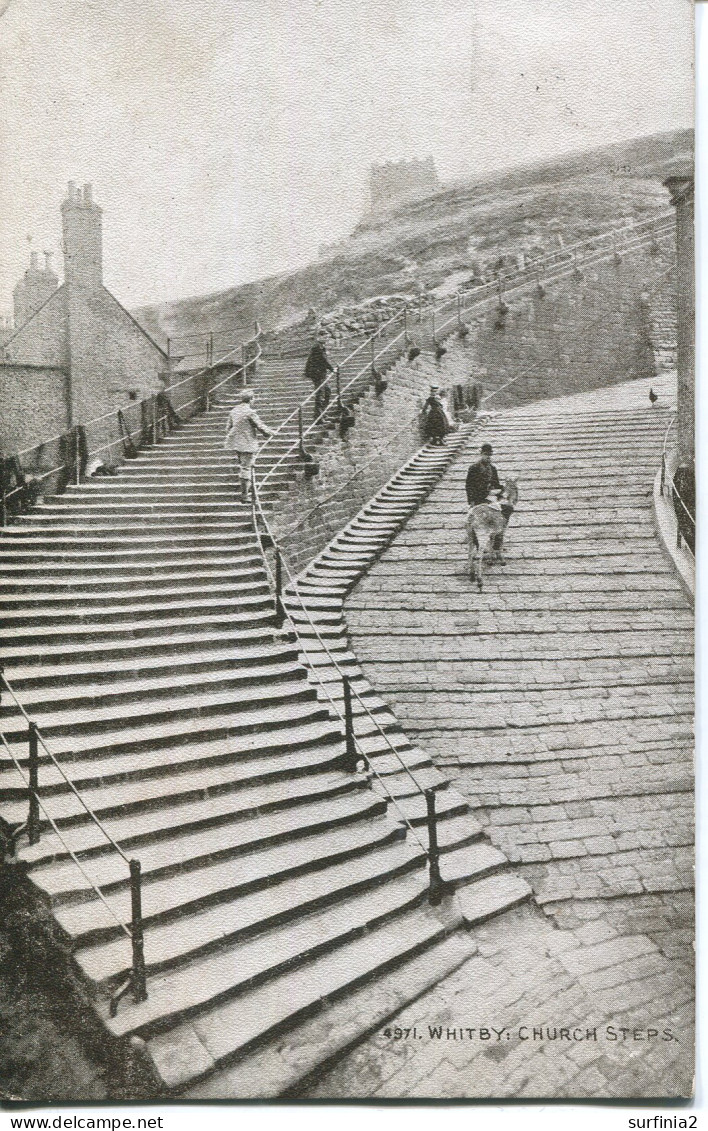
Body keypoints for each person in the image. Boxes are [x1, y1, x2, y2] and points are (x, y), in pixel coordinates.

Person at [224, 387, 274, 502]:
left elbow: (228, 428)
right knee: (246, 468)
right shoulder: (250, 412)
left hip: (236, 443)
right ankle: (245, 496)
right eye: (253, 399)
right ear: (251, 399)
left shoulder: (234, 411)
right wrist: (271, 433)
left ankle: (248, 492)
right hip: (247, 443)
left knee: (245, 466)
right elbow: (260, 426)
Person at [465, 443, 512, 559]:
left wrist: (504, 488)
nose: (488, 457)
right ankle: (478, 544)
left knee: (508, 509)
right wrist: (471, 501)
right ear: (480, 454)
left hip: (491, 498)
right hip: (478, 498)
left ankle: (497, 543)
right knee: (476, 519)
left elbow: (496, 484)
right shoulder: (474, 468)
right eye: (486, 455)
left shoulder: (493, 468)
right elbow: (469, 485)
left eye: (490, 455)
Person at [305, 329, 334, 419]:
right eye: (324, 337)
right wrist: (332, 369)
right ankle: (318, 416)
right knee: (320, 393)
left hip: (320, 373)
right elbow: (323, 360)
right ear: (319, 337)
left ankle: (322, 413)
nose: (326, 339)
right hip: (317, 373)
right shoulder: (317, 347)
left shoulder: (321, 346)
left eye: (327, 337)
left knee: (327, 391)